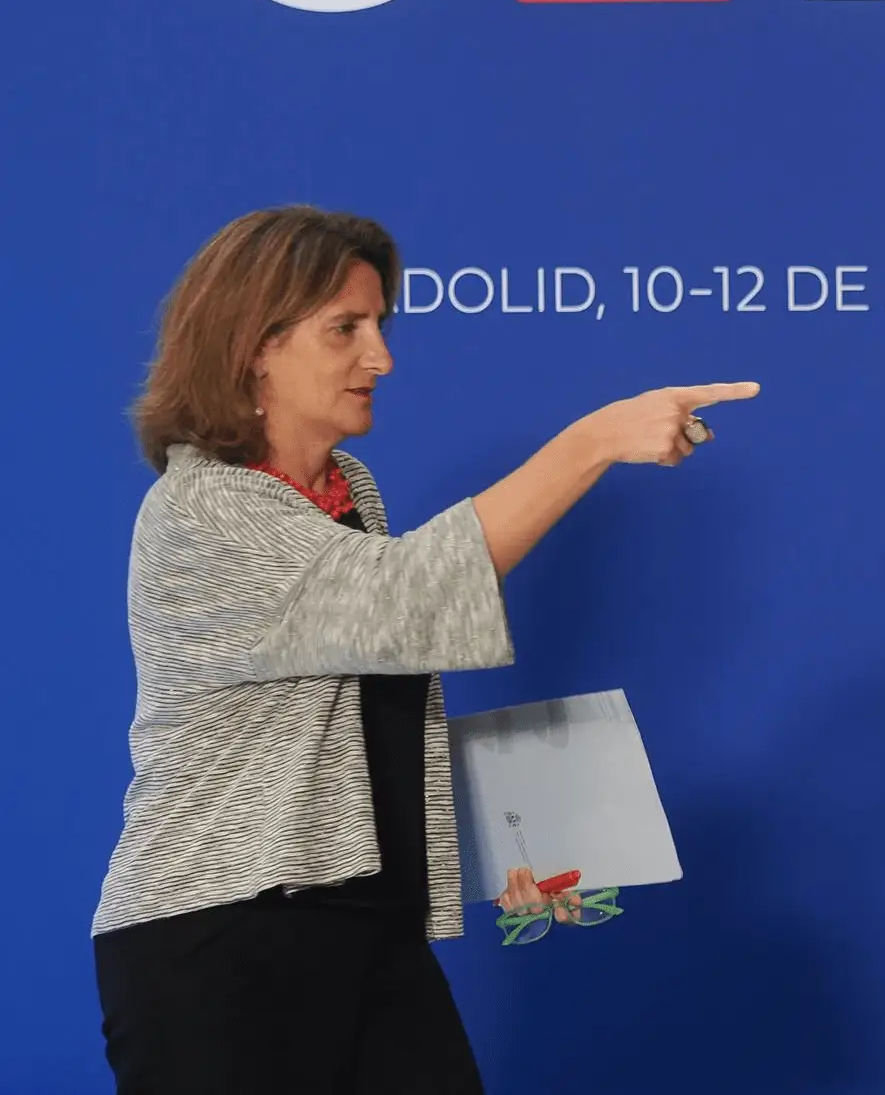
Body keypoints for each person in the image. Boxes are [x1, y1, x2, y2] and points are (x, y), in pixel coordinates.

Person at [91, 206, 759, 1094]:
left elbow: (356, 716)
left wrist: (521, 840)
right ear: (256, 345)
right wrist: (594, 441)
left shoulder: (345, 488)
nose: (382, 358)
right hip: (221, 938)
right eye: (346, 330)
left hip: (368, 922)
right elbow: (413, 598)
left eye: (380, 326)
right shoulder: (208, 509)